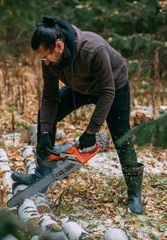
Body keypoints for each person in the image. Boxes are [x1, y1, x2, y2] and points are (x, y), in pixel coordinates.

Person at [12, 16, 144, 215]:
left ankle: (134, 193)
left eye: (46, 56)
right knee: (45, 116)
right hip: (80, 87)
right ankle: (42, 175)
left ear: (58, 45)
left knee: (121, 137)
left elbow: (107, 92)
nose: (45, 62)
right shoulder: (49, 60)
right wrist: (46, 131)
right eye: (41, 58)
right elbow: (49, 97)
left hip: (113, 86)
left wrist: (91, 131)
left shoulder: (93, 49)